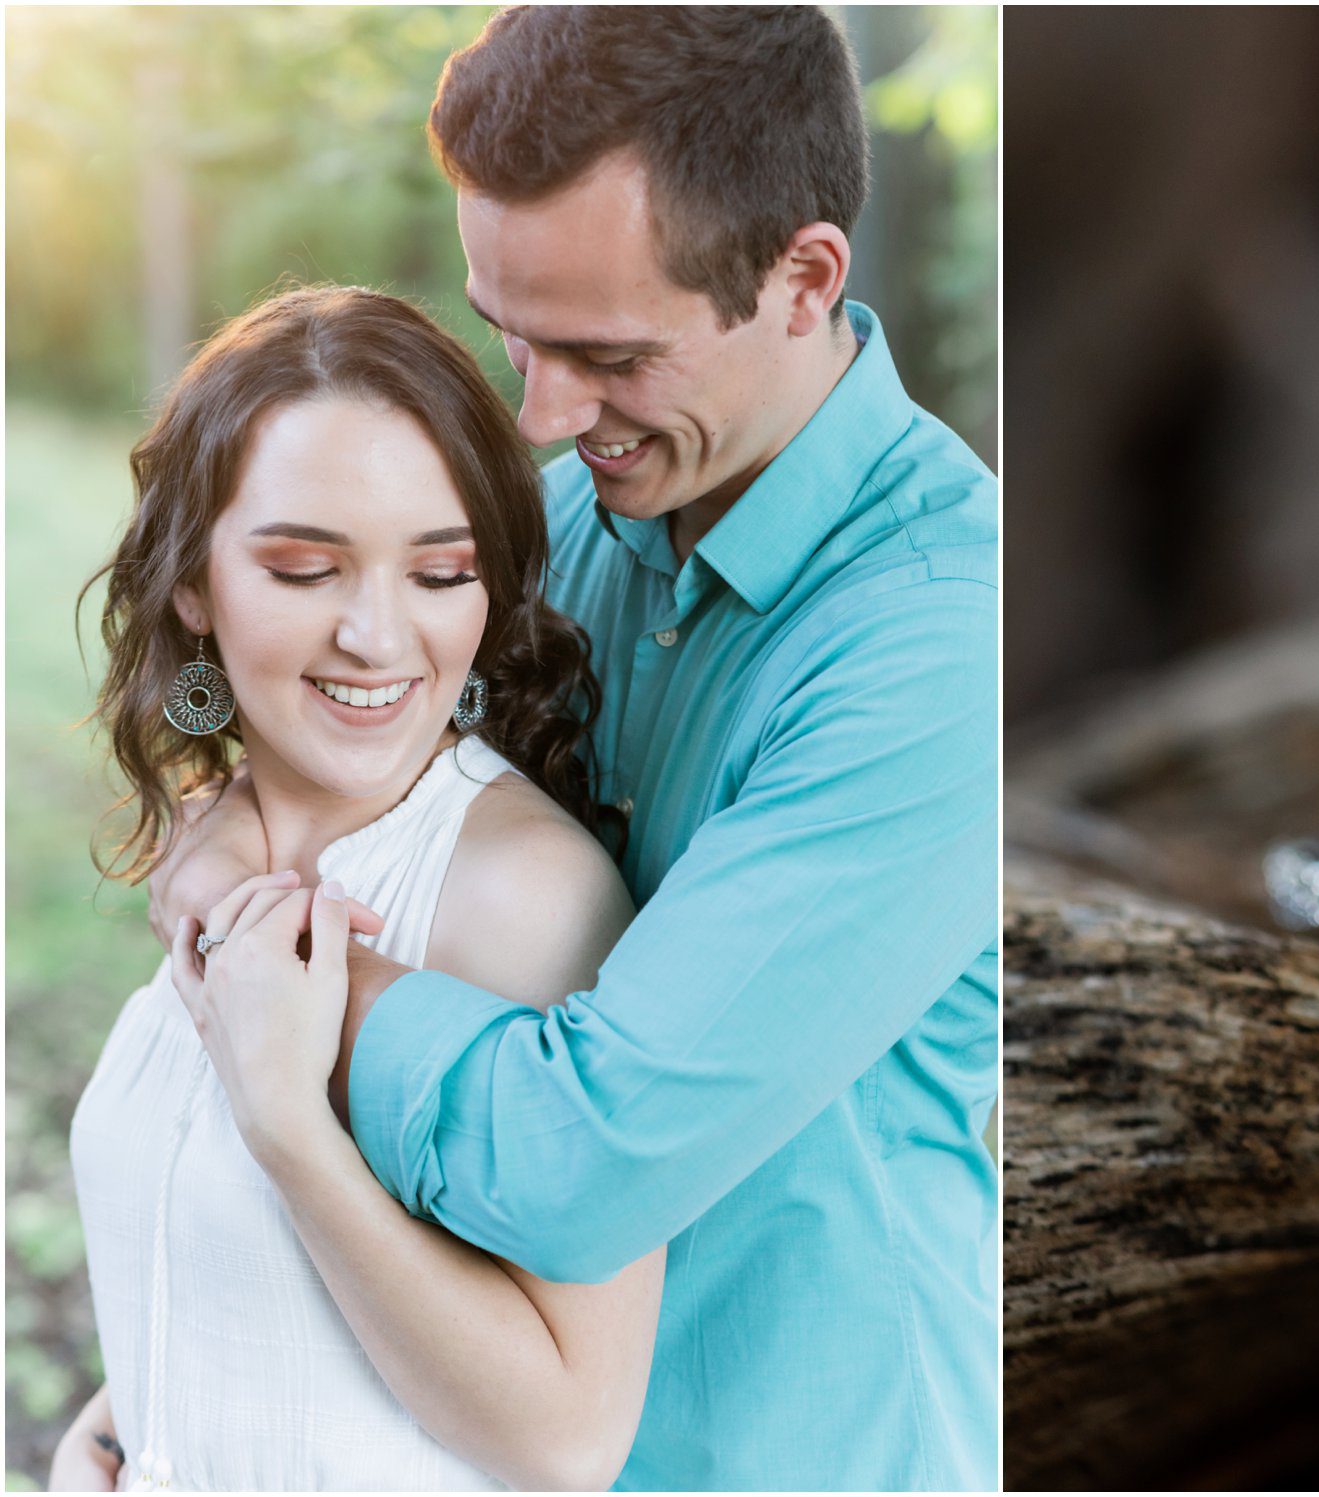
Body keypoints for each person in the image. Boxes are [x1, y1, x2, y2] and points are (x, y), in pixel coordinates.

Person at [157, 7, 1000, 1491]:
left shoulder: (941, 647)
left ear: (803, 277)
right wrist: (228, 805)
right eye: (512, 333)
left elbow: (577, 1159)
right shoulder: (565, 524)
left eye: (607, 351)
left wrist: (275, 947)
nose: (542, 412)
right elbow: (359, 762)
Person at [57, 285, 665, 1491]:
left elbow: (567, 1440)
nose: (379, 640)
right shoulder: (218, 851)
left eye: (440, 574)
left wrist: (290, 1128)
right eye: (303, 568)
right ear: (192, 584)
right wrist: (121, 1422)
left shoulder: (523, 897)